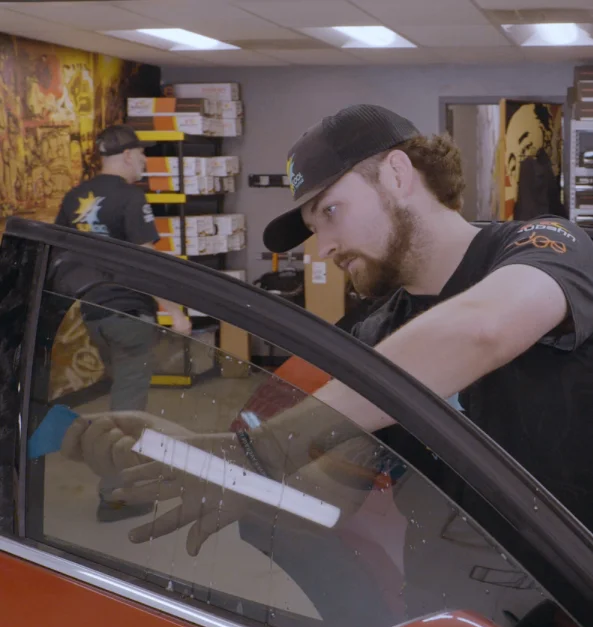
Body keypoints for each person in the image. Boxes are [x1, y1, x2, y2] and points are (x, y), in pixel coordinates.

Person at [62, 104, 593, 545]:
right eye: (313, 228)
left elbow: (484, 328)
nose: (325, 247)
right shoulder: (372, 331)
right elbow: (333, 499)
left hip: (568, 586)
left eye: (331, 212)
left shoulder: (543, 245)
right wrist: (212, 466)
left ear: (398, 174)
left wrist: (265, 447)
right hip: (456, 596)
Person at [53, 124, 191, 522]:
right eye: (143, 155)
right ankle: (115, 495)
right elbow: (148, 265)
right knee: (127, 411)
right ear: (128, 156)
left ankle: (121, 482)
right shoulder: (132, 197)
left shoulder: (75, 197)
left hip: (92, 313)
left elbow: (60, 253)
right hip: (129, 313)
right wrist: (175, 312)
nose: (145, 162)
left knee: (119, 400)